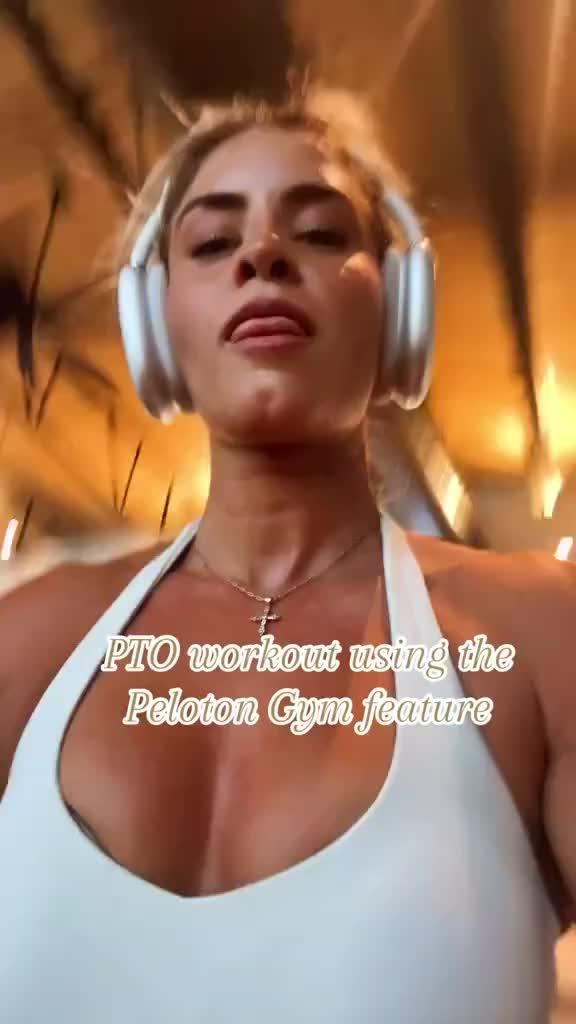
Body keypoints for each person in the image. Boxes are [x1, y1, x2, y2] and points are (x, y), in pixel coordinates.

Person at [0, 85, 574, 1024]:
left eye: (317, 233)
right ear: (157, 323)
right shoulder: (25, 645)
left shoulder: (543, 638)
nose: (262, 255)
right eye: (212, 243)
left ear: (400, 307)